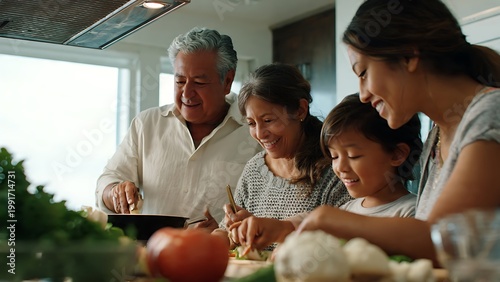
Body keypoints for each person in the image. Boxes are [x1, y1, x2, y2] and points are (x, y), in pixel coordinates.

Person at [297, 0, 500, 265]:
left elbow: (445, 243)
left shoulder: (491, 113)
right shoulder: (437, 136)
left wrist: (327, 219)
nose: (364, 94)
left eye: (364, 73)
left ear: (408, 56)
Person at [95, 27, 262, 230]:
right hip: (150, 256)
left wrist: (225, 232)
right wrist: (114, 192)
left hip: (223, 258)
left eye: (199, 82)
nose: (187, 93)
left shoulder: (256, 133)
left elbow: (267, 213)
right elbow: (108, 180)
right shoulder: (147, 124)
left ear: (227, 81)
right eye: (180, 81)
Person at [229, 93, 422, 250]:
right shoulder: (347, 209)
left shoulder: (412, 213)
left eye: (354, 156)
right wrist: (277, 228)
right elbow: (309, 223)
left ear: (397, 154)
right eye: (335, 157)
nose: (340, 168)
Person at [211, 63, 352, 250]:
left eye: (268, 120)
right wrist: (232, 232)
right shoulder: (254, 169)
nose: (260, 134)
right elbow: (227, 233)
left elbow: (345, 242)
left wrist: (269, 231)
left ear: (300, 110)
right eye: (252, 123)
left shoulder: (335, 168)